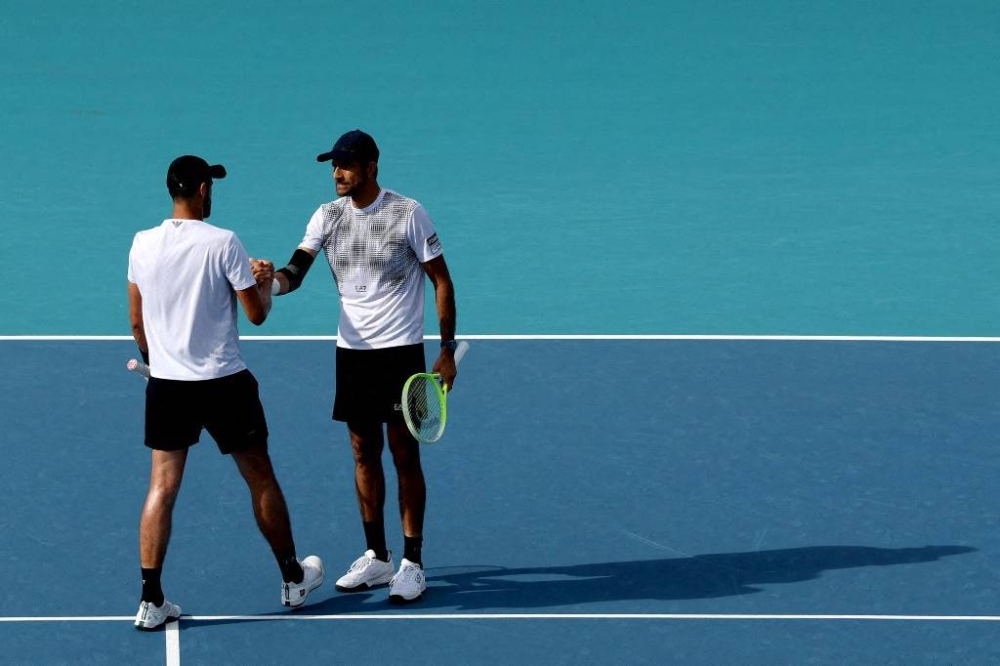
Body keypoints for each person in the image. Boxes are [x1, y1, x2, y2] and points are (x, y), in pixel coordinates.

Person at [254, 129, 458, 604]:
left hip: (402, 353)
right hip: (352, 355)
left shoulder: (408, 212)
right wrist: (269, 285)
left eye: (345, 164)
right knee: (363, 453)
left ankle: (412, 561)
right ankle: (377, 556)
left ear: (371, 167)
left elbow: (442, 281)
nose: (337, 172)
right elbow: (296, 271)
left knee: (404, 455)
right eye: (333, 164)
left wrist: (445, 350)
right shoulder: (327, 215)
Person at [127, 155, 324, 630]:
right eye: (209, 186)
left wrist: (161, 364)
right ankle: (292, 577)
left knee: (161, 488)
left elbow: (137, 322)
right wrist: (263, 282)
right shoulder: (224, 243)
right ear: (199, 190)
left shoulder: (141, 243)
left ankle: (151, 599)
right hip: (224, 384)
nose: (211, 193)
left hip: (169, 384)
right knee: (260, 479)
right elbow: (257, 314)